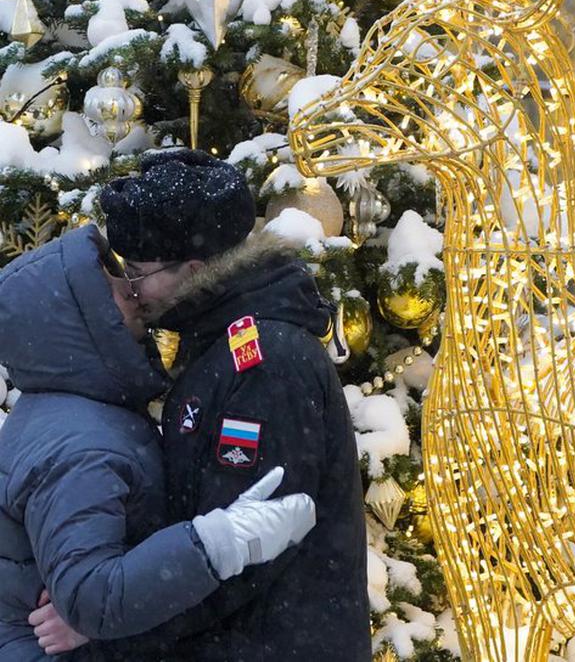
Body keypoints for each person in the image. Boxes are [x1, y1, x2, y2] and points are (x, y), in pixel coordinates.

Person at [36, 149, 371, 661]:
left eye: (141, 271)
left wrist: (102, 624)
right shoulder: (220, 340)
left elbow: (242, 549)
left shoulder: (264, 362)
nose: (132, 289)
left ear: (192, 269)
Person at [0, 221, 317, 661]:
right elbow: (91, 598)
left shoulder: (80, 409)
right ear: (74, 324)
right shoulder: (79, 446)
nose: (129, 290)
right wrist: (217, 542)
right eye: (107, 287)